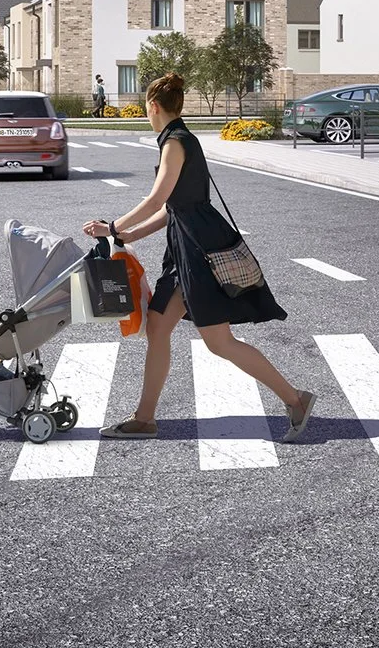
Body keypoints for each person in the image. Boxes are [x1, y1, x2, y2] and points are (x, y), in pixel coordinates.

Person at [82, 71, 315, 442]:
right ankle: (145, 419)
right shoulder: (177, 139)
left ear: (153, 106)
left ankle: (296, 399)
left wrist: (112, 227)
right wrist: (130, 233)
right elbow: (173, 207)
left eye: (146, 107)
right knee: (157, 329)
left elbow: (157, 199)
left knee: (219, 342)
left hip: (198, 252)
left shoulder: (175, 141)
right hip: (183, 251)